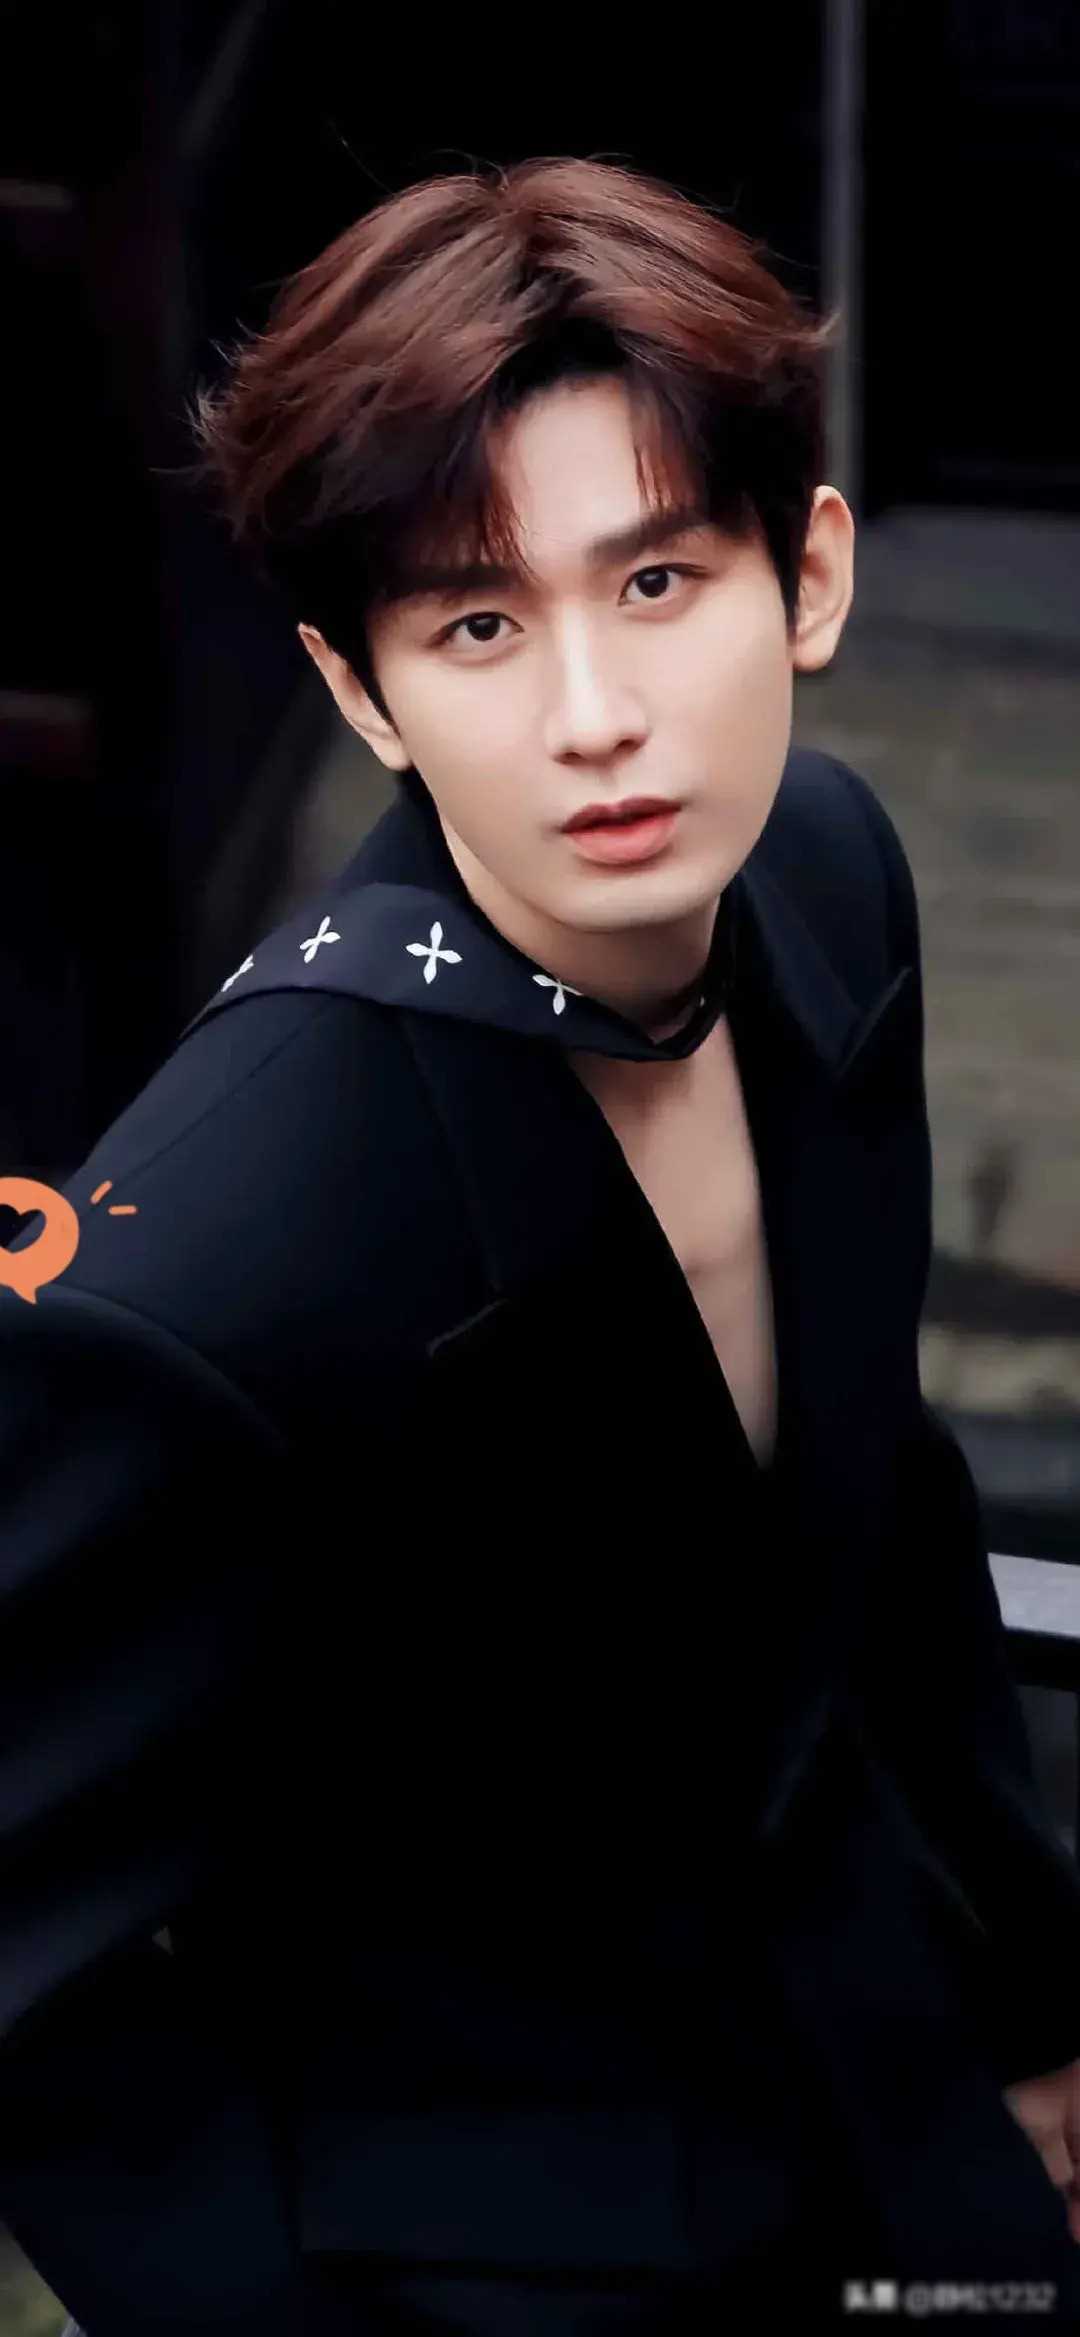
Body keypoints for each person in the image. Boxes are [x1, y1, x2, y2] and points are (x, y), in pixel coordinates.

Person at [2, 155, 1080, 2336]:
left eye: (658, 579)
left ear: (811, 575)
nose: (595, 714)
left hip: (886, 2074)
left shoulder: (829, 878)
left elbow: (879, 1497)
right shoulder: (220, 1251)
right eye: (479, 625)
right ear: (363, 692)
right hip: (507, 2238)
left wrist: (1037, 2003)